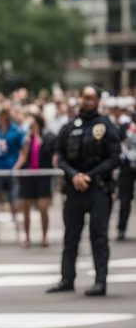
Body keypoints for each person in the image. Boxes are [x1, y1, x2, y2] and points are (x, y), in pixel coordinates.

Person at [47, 86, 120, 297]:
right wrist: (74, 176)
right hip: (74, 189)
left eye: (91, 98)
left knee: (99, 237)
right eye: (84, 97)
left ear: (98, 101)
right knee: (71, 236)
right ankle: (67, 278)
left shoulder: (106, 127)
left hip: (98, 189)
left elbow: (114, 158)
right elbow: (59, 156)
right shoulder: (70, 127)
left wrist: (90, 175)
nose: (86, 101)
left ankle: (100, 281)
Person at [13, 114, 56, 248]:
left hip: (43, 176)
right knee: (25, 208)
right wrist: (15, 169)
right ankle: (27, 237)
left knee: (43, 207)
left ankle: (44, 236)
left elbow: (52, 154)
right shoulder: (25, 139)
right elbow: (23, 155)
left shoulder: (46, 137)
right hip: (28, 176)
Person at [0, 107, 24, 244]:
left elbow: (23, 150)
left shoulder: (16, 132)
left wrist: (17, 167)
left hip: (10, 170)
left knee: (14, 202)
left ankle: (18, 232)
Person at [116, 110, 135, 240]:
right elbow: (118, 140)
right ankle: (121, 229)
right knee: (125, 200)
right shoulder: (126, 126)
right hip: (127, 166)